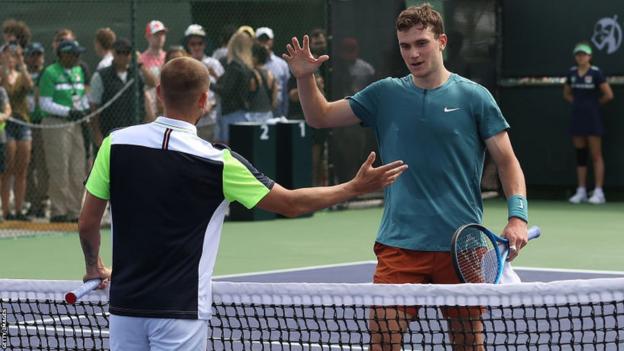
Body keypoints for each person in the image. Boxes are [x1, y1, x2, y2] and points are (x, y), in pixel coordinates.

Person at [78, 56, 407, 350]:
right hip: (181, 311)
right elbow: (290, 203)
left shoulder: (115, 144)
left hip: (124, 308)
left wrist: (93, 265)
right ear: (205, 101)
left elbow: (88, 222)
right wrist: (353, 187)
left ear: (159, 93)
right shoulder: (218, 162)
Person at [283, 4, 529, 350]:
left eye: (421, 43)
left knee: (468, 343)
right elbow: (320, 117)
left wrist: (518, 217)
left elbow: (507, 161)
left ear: (441, 41)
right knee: (383, 339)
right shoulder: (385, 94)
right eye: (405, 45)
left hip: (461, 247)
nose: (413, 53)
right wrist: (305, 77)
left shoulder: (475, 97)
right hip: (399, 244)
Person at [38, 40, 89, 223]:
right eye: (74, 54)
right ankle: (58, 210)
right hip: (56, 123)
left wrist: (83, 109)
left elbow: (80, 96)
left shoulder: (78, 71)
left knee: (77, 167)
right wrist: (68, 111)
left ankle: (75, 210)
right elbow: (44, 103)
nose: (78, 58)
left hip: (75, 123)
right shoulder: (50, 73)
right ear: (64, 55)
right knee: (59, 167)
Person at [564, 42, 613, 205]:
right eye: (578, 54)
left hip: (593, 119)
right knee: (581, 156)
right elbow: (567, 93)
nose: (581, 57)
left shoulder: (596, 73)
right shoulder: (571, 73)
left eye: (584, 54)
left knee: (596, 155)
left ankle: (599, 192)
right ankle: (581, 191)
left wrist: (593, 106)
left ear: (589, 57)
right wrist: (578, 105)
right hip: (577, 118)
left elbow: (608, 94)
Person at [89, 38, 157, 147]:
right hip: (110, 131)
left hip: (135, 130)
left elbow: (153, 83)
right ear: (112, 53)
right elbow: (94, 106)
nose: (122, 56)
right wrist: (97, 134)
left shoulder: (136, 74)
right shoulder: (101, 76)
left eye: (126, 53)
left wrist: (140, 64)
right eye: (119, 52)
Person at [0, 43, 34, 220]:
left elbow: (30, 86)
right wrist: (4, 65)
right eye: (8, 55)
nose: (11, 58)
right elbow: (4, 86)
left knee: (22, 168)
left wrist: (22, 63)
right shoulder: (2, 74)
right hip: (7, 125)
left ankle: (19, 209)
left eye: (14, 55)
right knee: (7, 169)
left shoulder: (21, 74)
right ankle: (6, 210)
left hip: (23, 123)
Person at [213, 29, 255, 144]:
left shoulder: (234, 65)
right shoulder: (247, 66)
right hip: (242, 112)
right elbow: (253, 89)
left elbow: (226, 91)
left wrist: (209, 84)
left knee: (230, 150)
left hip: (231, 114)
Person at [183, 24, 224, 142]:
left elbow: (224, 89)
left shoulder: (214, 63)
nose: (197, 47)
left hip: (211, 120)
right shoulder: (184, 64)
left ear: (204, 44)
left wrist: (212, 104)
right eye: (193, 44)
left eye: (200, 43)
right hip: (189, 122)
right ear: (188, 45)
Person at [24, 42, 49, 218]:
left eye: (39, 54)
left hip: (40, 124)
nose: (36, 58)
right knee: (26, 165)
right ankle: (31, 202)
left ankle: (41, 202)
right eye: (33, 54)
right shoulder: (21, 74)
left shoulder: (46, 74)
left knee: (42, 166)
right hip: (24, 123)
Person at [255, 27, 290, 117]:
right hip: (257, 112)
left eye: (266, 39)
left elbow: (286, 91)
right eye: (261, 39)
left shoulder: (282, 64)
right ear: (256, 41)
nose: (264, 42)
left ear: (272, 41)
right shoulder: (250, 64)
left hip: (278, 112)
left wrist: (284, 114)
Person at [247, 42, 277, 123]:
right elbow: (274, 100)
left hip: (252, 115)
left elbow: (250, 93)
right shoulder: (271, 75)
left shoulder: (252, 74)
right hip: (268, 114)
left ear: (255, 58)